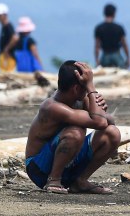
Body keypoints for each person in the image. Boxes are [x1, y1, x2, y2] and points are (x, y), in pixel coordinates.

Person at [25, 60, 121, 194]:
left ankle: (80, 181)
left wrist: (100, 109)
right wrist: (92, 89)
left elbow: (107, 121)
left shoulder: (79, 99)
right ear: (76, 89)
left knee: (112, 133)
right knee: (76, 132)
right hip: (39, 169)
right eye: (85, 87)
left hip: (68, 163)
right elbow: (99, 122)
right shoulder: (52, 107)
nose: (88, 91)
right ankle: (54, 179)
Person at [94, 3, 130, 68]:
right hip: (116, 55)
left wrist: (97, 59)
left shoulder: (99, 28)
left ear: (104, 13)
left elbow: (97, 46)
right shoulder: (119, 27)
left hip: (105, 56)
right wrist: (128, 58)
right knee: (122, 71)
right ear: (114, 14)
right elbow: (124, 44)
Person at [0, 3, 18, 72]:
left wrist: (6, 49)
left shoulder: (8, 26)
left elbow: (15, 38)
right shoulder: (4, 26)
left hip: (8, 57)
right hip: (4, 56)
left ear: (5, 15)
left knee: (7, 75)